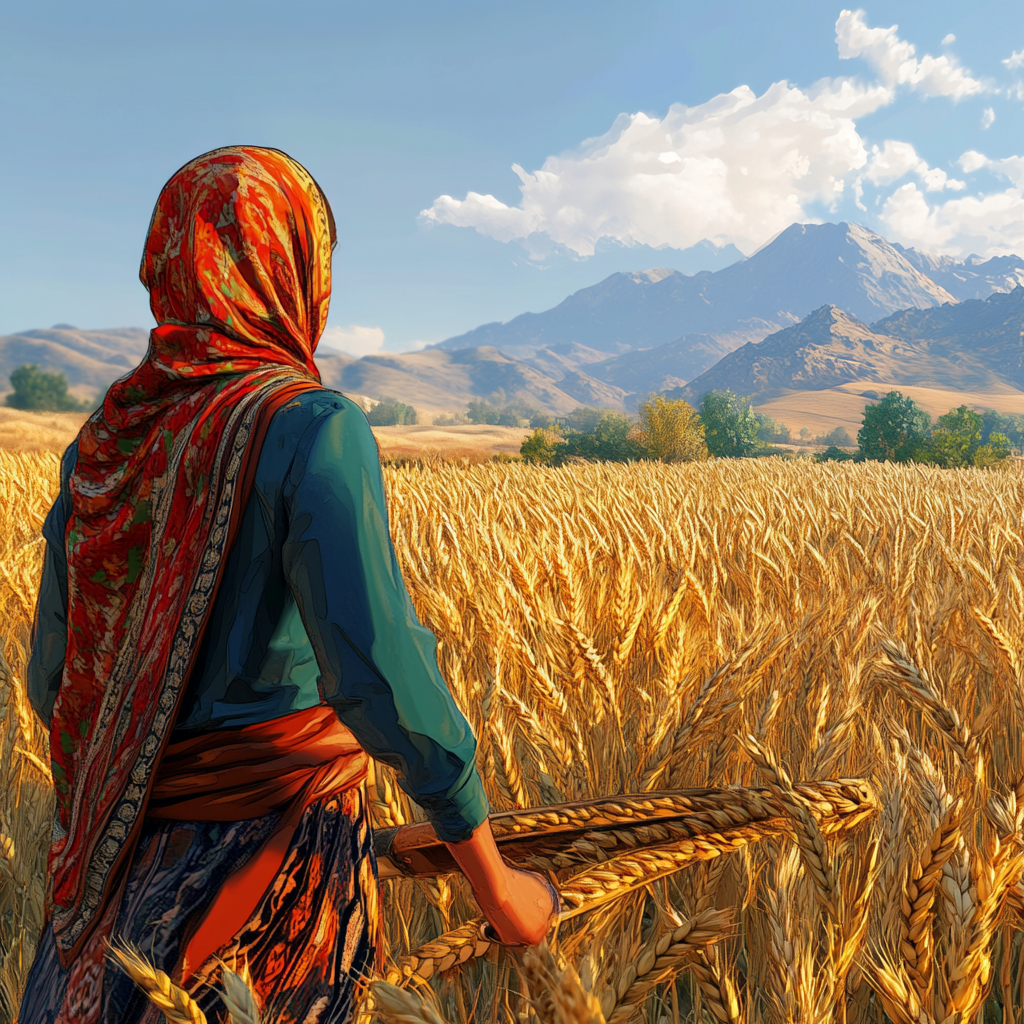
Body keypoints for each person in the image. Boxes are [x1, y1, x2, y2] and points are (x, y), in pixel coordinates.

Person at [19, 146, 557, 1024]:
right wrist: (499, 890)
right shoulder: (311, 427)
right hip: (274, 886)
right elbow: (382, 678)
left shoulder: (106, 442)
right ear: (294, 268)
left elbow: (54, 684)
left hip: (112, 887)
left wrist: (157, 768)